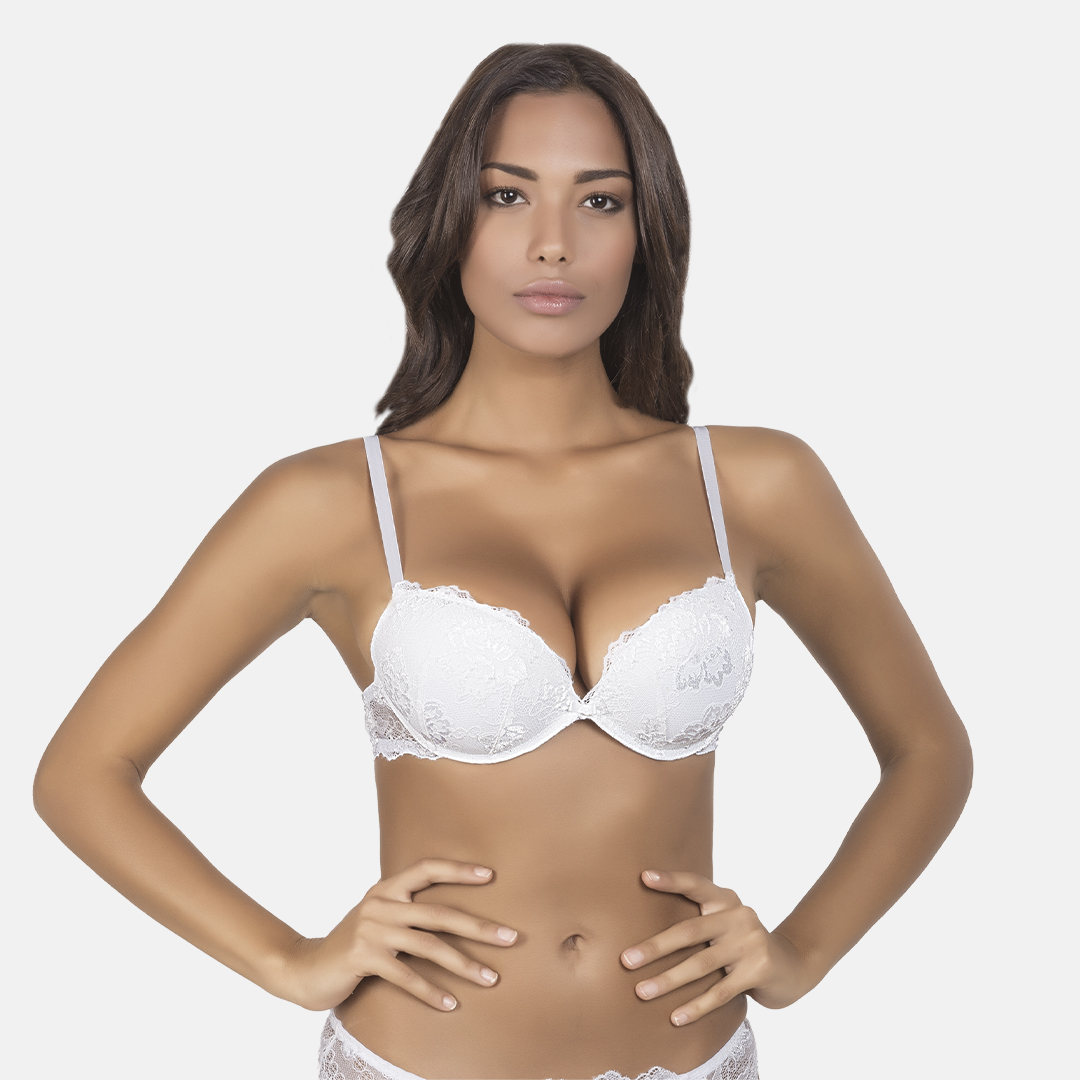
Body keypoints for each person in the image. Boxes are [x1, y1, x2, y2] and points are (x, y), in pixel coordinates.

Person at [33, 43, 973, 1080]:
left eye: (601, 202)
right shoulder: (335, 501)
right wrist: (289, 959)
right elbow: (83, 773)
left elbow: (929, 749)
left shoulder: (755, 484)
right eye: (507, 195)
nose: (553, 244)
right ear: (452, 221)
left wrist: (802, 954)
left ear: (648, 231)